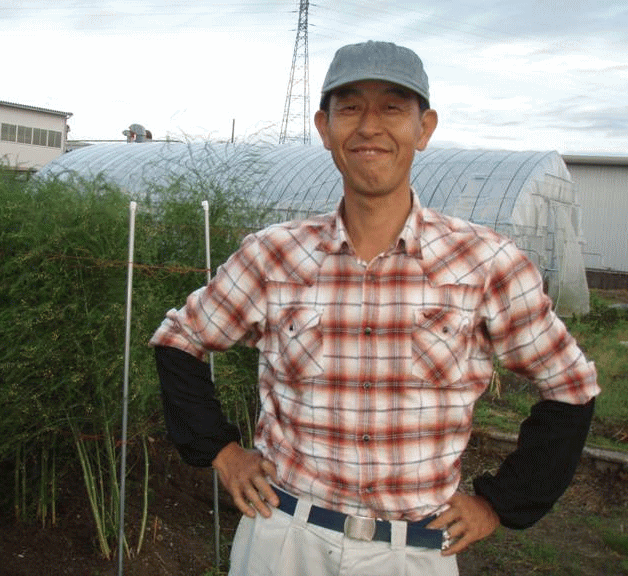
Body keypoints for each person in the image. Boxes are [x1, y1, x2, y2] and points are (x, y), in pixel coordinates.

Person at [150, 40, 599, 576]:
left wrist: (501, 503)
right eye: (350, 107)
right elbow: (180, 339)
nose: (369, 126)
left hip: (410, 552)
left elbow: (570, 386)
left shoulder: (486, 263)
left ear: (424, 128)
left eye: (392, 107)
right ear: (324, 127)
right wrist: (221, 452)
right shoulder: (272, 254)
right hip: (285, 540)